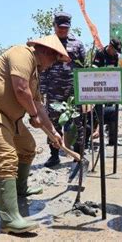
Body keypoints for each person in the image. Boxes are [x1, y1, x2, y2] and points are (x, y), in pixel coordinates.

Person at [0, 34, 69, 234]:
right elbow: (21, 90)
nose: (54, 64)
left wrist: (53, 132)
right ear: (46, 51)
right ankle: (9, 219)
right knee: (7, 157)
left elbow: (38, 104)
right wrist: (33, 114)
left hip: (9, 117)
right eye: (55, 59)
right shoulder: (22, 53)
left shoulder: (36, 72)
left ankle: (20, 188)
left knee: (27, 147)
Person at [40, 12, 86, 168]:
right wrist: (41, 90)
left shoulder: (77, 44)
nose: (62, 31)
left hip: (73, 90)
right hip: (53, 90)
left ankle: (79, 154)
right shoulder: (48, 43)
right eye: (60, 27)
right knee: (52, 123)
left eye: (65, 28)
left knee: (77, 122)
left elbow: (82, 68)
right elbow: (42, 68)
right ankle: (54, 156)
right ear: (54, 25)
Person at [92, 38, 122, 146]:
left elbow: (114, 71)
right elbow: (93, 70)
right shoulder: (100, 53)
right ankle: (95, 135)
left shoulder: (115, 57)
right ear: (110, 46)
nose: (115, 53)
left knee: (113, 111)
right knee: (98, 112)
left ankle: (112, 139)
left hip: (110, 88)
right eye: (114, 50)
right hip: (99, 88)